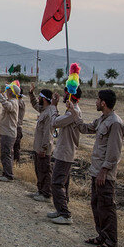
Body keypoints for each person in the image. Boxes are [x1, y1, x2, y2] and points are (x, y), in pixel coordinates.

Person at [70, 89, 124, 247]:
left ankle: (111, 242)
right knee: (96, 205)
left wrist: (104, 171)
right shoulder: (103, 119)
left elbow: (114, 152)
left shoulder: (115, 123)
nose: (95, 102)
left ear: (103, 103)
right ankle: (102, 236)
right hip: (96, 171)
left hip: (104, 174)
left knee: (107, 207)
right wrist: (74, 113)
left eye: (97, 99)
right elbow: (85, 128)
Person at [47, 87, 83, 225]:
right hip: (64, 151)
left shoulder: (72, 113)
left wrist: (54, 107)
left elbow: (54, 122)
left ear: (69, 96)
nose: (62, 96)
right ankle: (60, 209)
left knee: (56, 182)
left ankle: (65, 214)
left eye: (65, 94)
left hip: (65, 152)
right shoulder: (71, 111)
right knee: (62, 183)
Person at [28, 84, 56, 202]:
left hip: (43, 148)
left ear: (44, 99)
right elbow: (35, 104)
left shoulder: (49, 113)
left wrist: (44, 148)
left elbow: (47, 133)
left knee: (45, 170)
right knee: (39, 170)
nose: (38, 99)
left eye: (40, 97)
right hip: (38, 147)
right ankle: (40, 191)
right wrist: (31, 94)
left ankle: (46, 194)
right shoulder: (44, 109)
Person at [0, 83, 21, 181]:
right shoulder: (12, 100)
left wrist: (0, 96)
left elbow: (8, 106)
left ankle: (8, 175)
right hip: (6, 132)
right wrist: (2, 96)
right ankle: (5, 173)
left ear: (11, 91)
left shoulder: (13, 102)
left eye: (8, 88)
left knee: (6, 154)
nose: (6, 89)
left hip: (8, 133)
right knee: (5, 153)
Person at [13, 88, 26, 163]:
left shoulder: (19, 102)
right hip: (17, 126)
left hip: (17, 126)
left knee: (16, 146)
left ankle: (16, 161)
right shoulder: (20, 101)